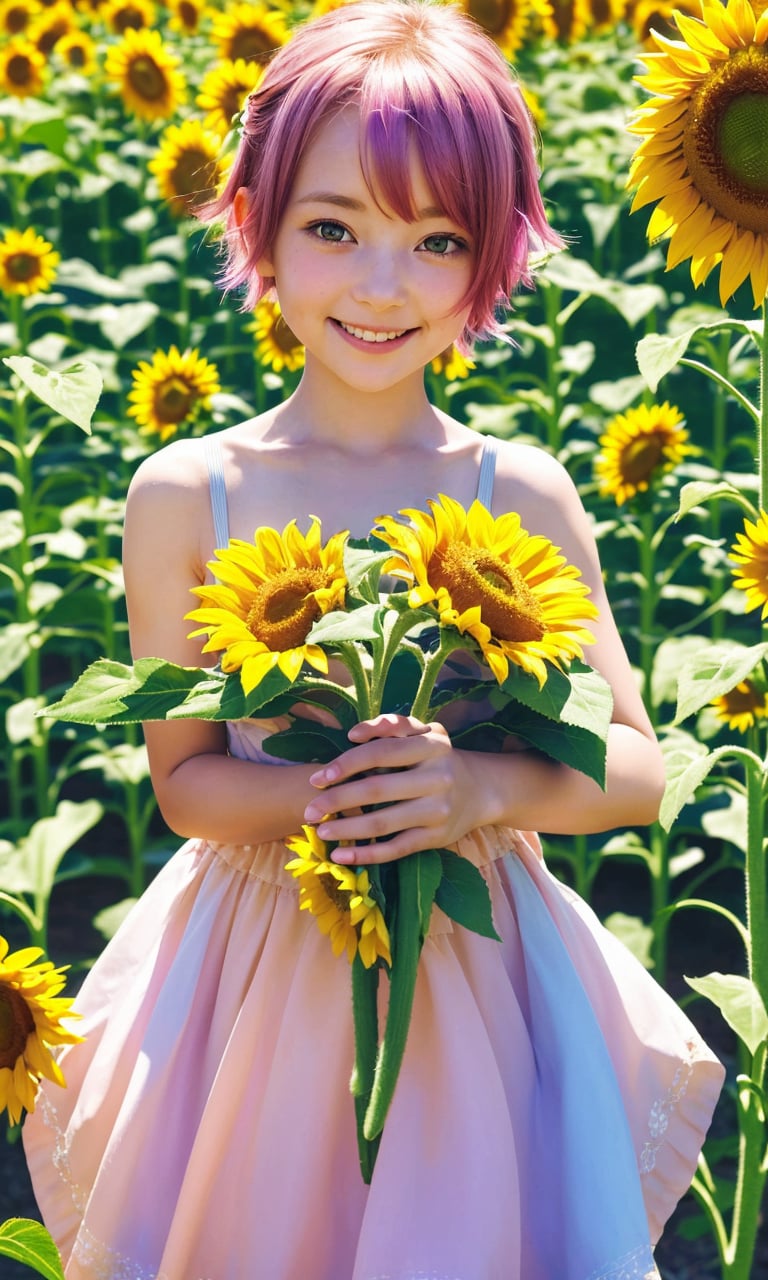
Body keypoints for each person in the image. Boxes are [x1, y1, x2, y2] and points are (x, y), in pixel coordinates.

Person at [24, 4, 724, 1277]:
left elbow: (638, 763)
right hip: (259, 976)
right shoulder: (190, 494)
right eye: (334, 227)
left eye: (436, 238)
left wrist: (474, 786)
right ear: (261, 232)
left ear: (490, 262)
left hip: (477, 971)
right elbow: (185, 783)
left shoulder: (520, 490)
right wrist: (330, 797)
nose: (383, 284)